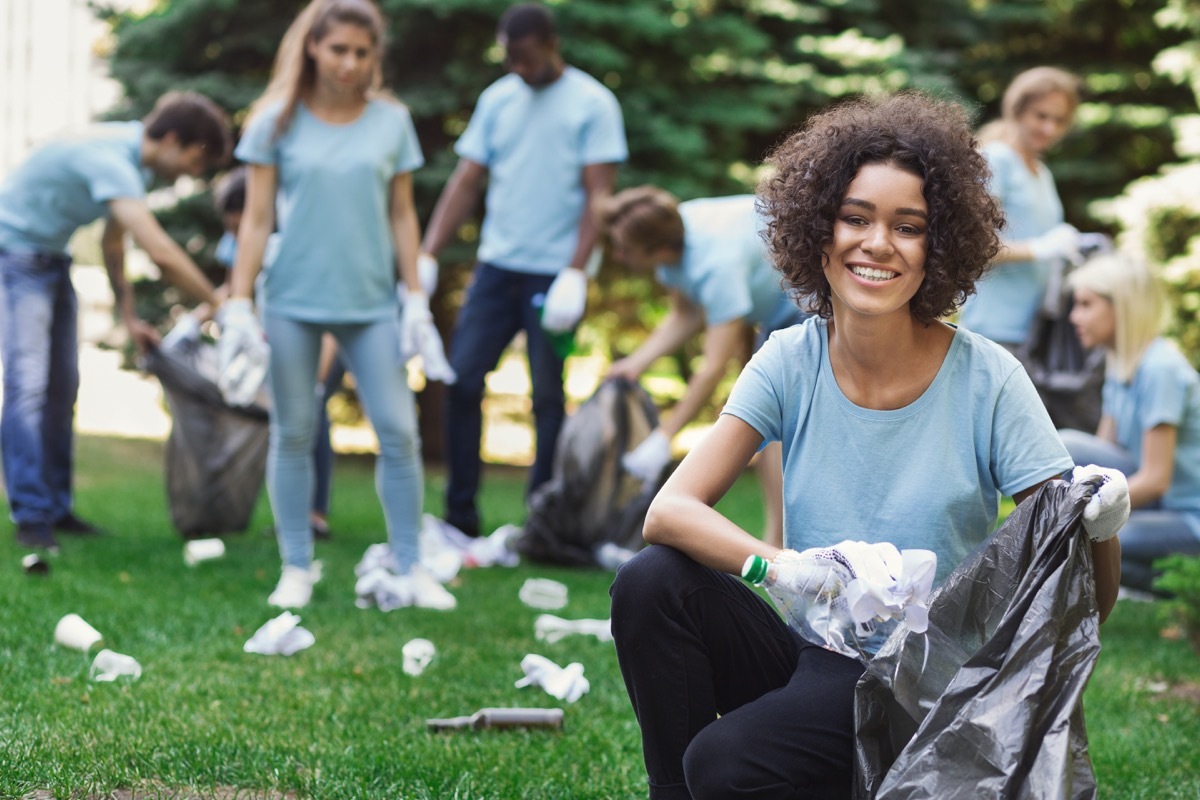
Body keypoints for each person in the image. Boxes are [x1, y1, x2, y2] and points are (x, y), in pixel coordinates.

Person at [608, 92, 1124, 800]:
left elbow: (1080, 600)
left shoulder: (989, 379)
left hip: (926, 685)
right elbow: (669, 514)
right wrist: (789, 570)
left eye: (907, 227)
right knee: (651, 583)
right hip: (819, 648)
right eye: (855, 218)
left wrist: (1103, 530)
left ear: (936, 247)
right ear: (819, 232)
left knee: (728, 764)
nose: (876, 243)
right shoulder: (790, 358)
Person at [221, 0, 456, 609]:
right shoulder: (274, 121)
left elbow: (403, 214)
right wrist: (239, 302)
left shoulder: (390, 123)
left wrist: (414, 299)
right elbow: (255, 220)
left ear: (374, 57)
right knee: (293, 432)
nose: (350, 63)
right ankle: (296, 566)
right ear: (311, 49)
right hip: (292, 300)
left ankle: (410, 566)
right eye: (338, 50)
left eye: (362, 52)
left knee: (400, 433)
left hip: (371, 304)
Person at [420, 2, 628, 538]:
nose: (517, 68)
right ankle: (460, 517)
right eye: (509, 58)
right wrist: (427, 252)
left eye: (526, 58)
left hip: (553, 276)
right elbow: (466, 181)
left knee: (548, 398)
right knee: (461, 381)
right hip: (496, 268)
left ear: (551, 46)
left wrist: (575, 272)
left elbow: (598, 198)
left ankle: (542, 520)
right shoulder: (498, 99)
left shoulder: (593, 103)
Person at [0, 91, 228, 552]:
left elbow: (114, 242)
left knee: (64, 385)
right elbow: (160, 253)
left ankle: (56, 507)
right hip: (15, 255)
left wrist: (129, 316)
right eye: (195, 159)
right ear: (172, 139)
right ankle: (31, 515)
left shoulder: (134, 163)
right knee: (28, 385)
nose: (193, 173)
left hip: (51, 257)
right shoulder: (111, 160)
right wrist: (223, 305)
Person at [598, 187, 807, 547]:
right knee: (774, 429)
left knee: (775, 424)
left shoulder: (715, 262)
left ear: (658, 250)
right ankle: (778, 541)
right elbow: (685, 314)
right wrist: (635, 364)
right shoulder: (673, 238)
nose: (618, 255)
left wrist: (664, 437)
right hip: (778, 311)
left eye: (625, 249)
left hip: (806, 303)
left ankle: (778, 542)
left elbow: (713, 366)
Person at [1059, 253, 1200, 592]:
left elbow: (1156, 479)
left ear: (1120, 306)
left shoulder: (1159, 369)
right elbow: (1103, 454)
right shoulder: (1121, 361)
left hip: (1188, 517)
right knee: (1070, 457)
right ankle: (1145, 585)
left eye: (1085, 305)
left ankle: (1179, 585)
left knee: (1094, 540)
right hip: (1159, 508)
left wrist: (1085, 515)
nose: (1074, 317)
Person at [958, 66, 1086, 350]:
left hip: (1036, 329)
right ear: (1017, 110)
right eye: (1041, 116)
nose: (1049, 128)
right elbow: (973, 244)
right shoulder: (996, 160)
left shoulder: (1042, 172)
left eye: (1059, 120)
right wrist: (1038, 249)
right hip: (995, 328)